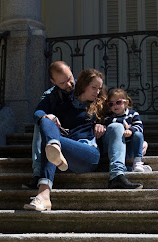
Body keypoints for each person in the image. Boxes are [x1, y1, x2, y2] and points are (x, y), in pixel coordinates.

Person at [24, 69, 142, 211]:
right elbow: (39, 112)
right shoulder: (61, 102)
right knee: (45, 122)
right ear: (83, 85)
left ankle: (117, 175)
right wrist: (49, 118)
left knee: (116, 126)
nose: (97, 92)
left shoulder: (101, 105)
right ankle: (43, 191)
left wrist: (137, 138)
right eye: (94, 88)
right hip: (62, 157)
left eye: (99, 88)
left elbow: (124, 119)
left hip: (87, 154)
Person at [25, 61, 75, 190]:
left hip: (79, 136)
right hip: (59, 136)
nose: (69, 85)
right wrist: (46, 117)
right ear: (53, 82)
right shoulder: (51, 95)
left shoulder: (84, 88)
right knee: (41, 123)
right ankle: (37, 174)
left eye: (69, 79)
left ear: (70, 69)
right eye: (62, 83)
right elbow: (37, 112)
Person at [103, 88, 152, 172]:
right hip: (118, 149)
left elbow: (139, 127)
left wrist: (131, 130)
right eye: (111, 104)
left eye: (118, 102)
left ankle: (138, 162)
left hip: (131, 147)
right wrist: (123, 122)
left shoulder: (133, 114)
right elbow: (109, 125)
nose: (115, 106)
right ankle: (129, 169)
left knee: (138, 135)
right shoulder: (109, 117)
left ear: (126, 102)